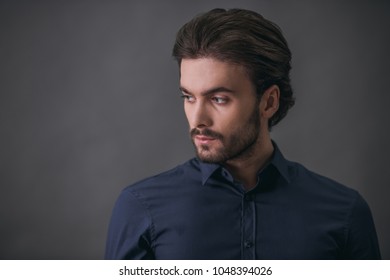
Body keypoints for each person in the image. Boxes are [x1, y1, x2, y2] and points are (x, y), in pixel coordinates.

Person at [104, 8, 381, 259]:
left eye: (219, 99)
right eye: (188, 96)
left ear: (269, 102)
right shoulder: (140, 208)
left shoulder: (345, 212)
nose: (197, 119)